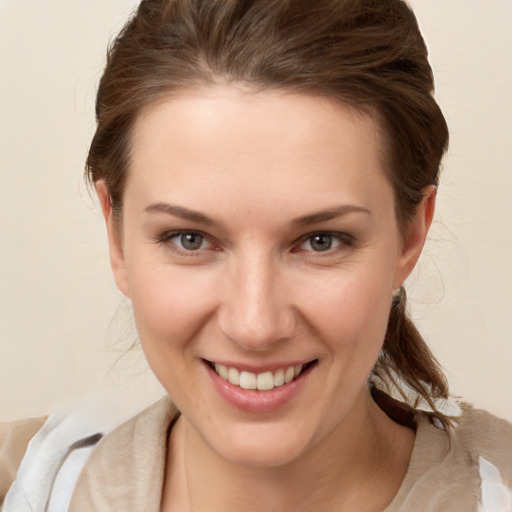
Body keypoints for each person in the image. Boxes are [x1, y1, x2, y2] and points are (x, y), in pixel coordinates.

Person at [1, 0, 511, 510]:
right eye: (190, 239)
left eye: (321, 241)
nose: (255, 326)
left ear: (410, 234)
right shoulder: (27, 485)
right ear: (116, 234)